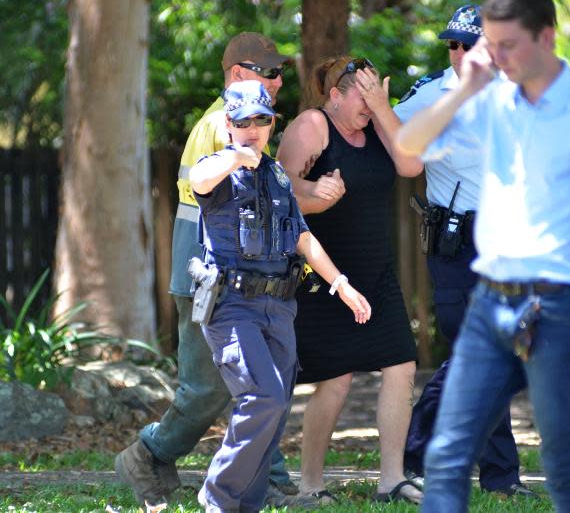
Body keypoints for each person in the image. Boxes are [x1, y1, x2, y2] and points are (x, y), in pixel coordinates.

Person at [396, 0, 570, 512]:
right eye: (492, 46)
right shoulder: (489, 103)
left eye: (508, 45)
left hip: (557, 305)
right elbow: (409, 145)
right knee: (446, 457)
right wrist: (465, 89)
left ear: (547, 37)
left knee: (563, 466)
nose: (498, 58)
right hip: (488, 300)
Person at [115, 32, 300, 507]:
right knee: (209, 388)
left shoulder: (236, 119)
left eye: (279, 71)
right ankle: (148, 454)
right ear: (239, 73)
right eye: (269, 71)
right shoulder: (227, 123)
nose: (278, 80)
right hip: (211, 277)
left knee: (242, 383)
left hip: (217, 275)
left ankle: (266, 477)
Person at [190, 79, 372, 512]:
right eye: (243, 120)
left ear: (273, 124)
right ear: (229, 124)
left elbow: (302, 238)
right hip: (233, 306)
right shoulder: (218, 168)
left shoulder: (276, 176)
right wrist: (237, 156)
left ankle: (243, 505)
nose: (253, 128)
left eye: (261, 119)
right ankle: (217, 498)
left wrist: (340, 283)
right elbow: (198, 179)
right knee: (262, 398)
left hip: (278, 307)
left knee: (273, 415)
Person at [393, 4, 533, 498]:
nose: (456, 53)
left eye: (467, 44)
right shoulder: (432, 94)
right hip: (456, 243)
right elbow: (389, 137)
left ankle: (496, 477)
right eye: (451, 43)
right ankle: (414, 454)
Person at [276, 56, 425, 504]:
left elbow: (411, 165)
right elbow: (279, 188)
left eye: (376, 90)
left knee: (401, 365)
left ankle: (392, 478)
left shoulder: (379, 123)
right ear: (334, 96)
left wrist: (381, 108)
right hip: (323, 274)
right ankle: (310, 483)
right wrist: (316, 192)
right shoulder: (313, 126)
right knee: (336, 380)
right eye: (362, 94)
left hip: (376, 270)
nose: (371, 101)